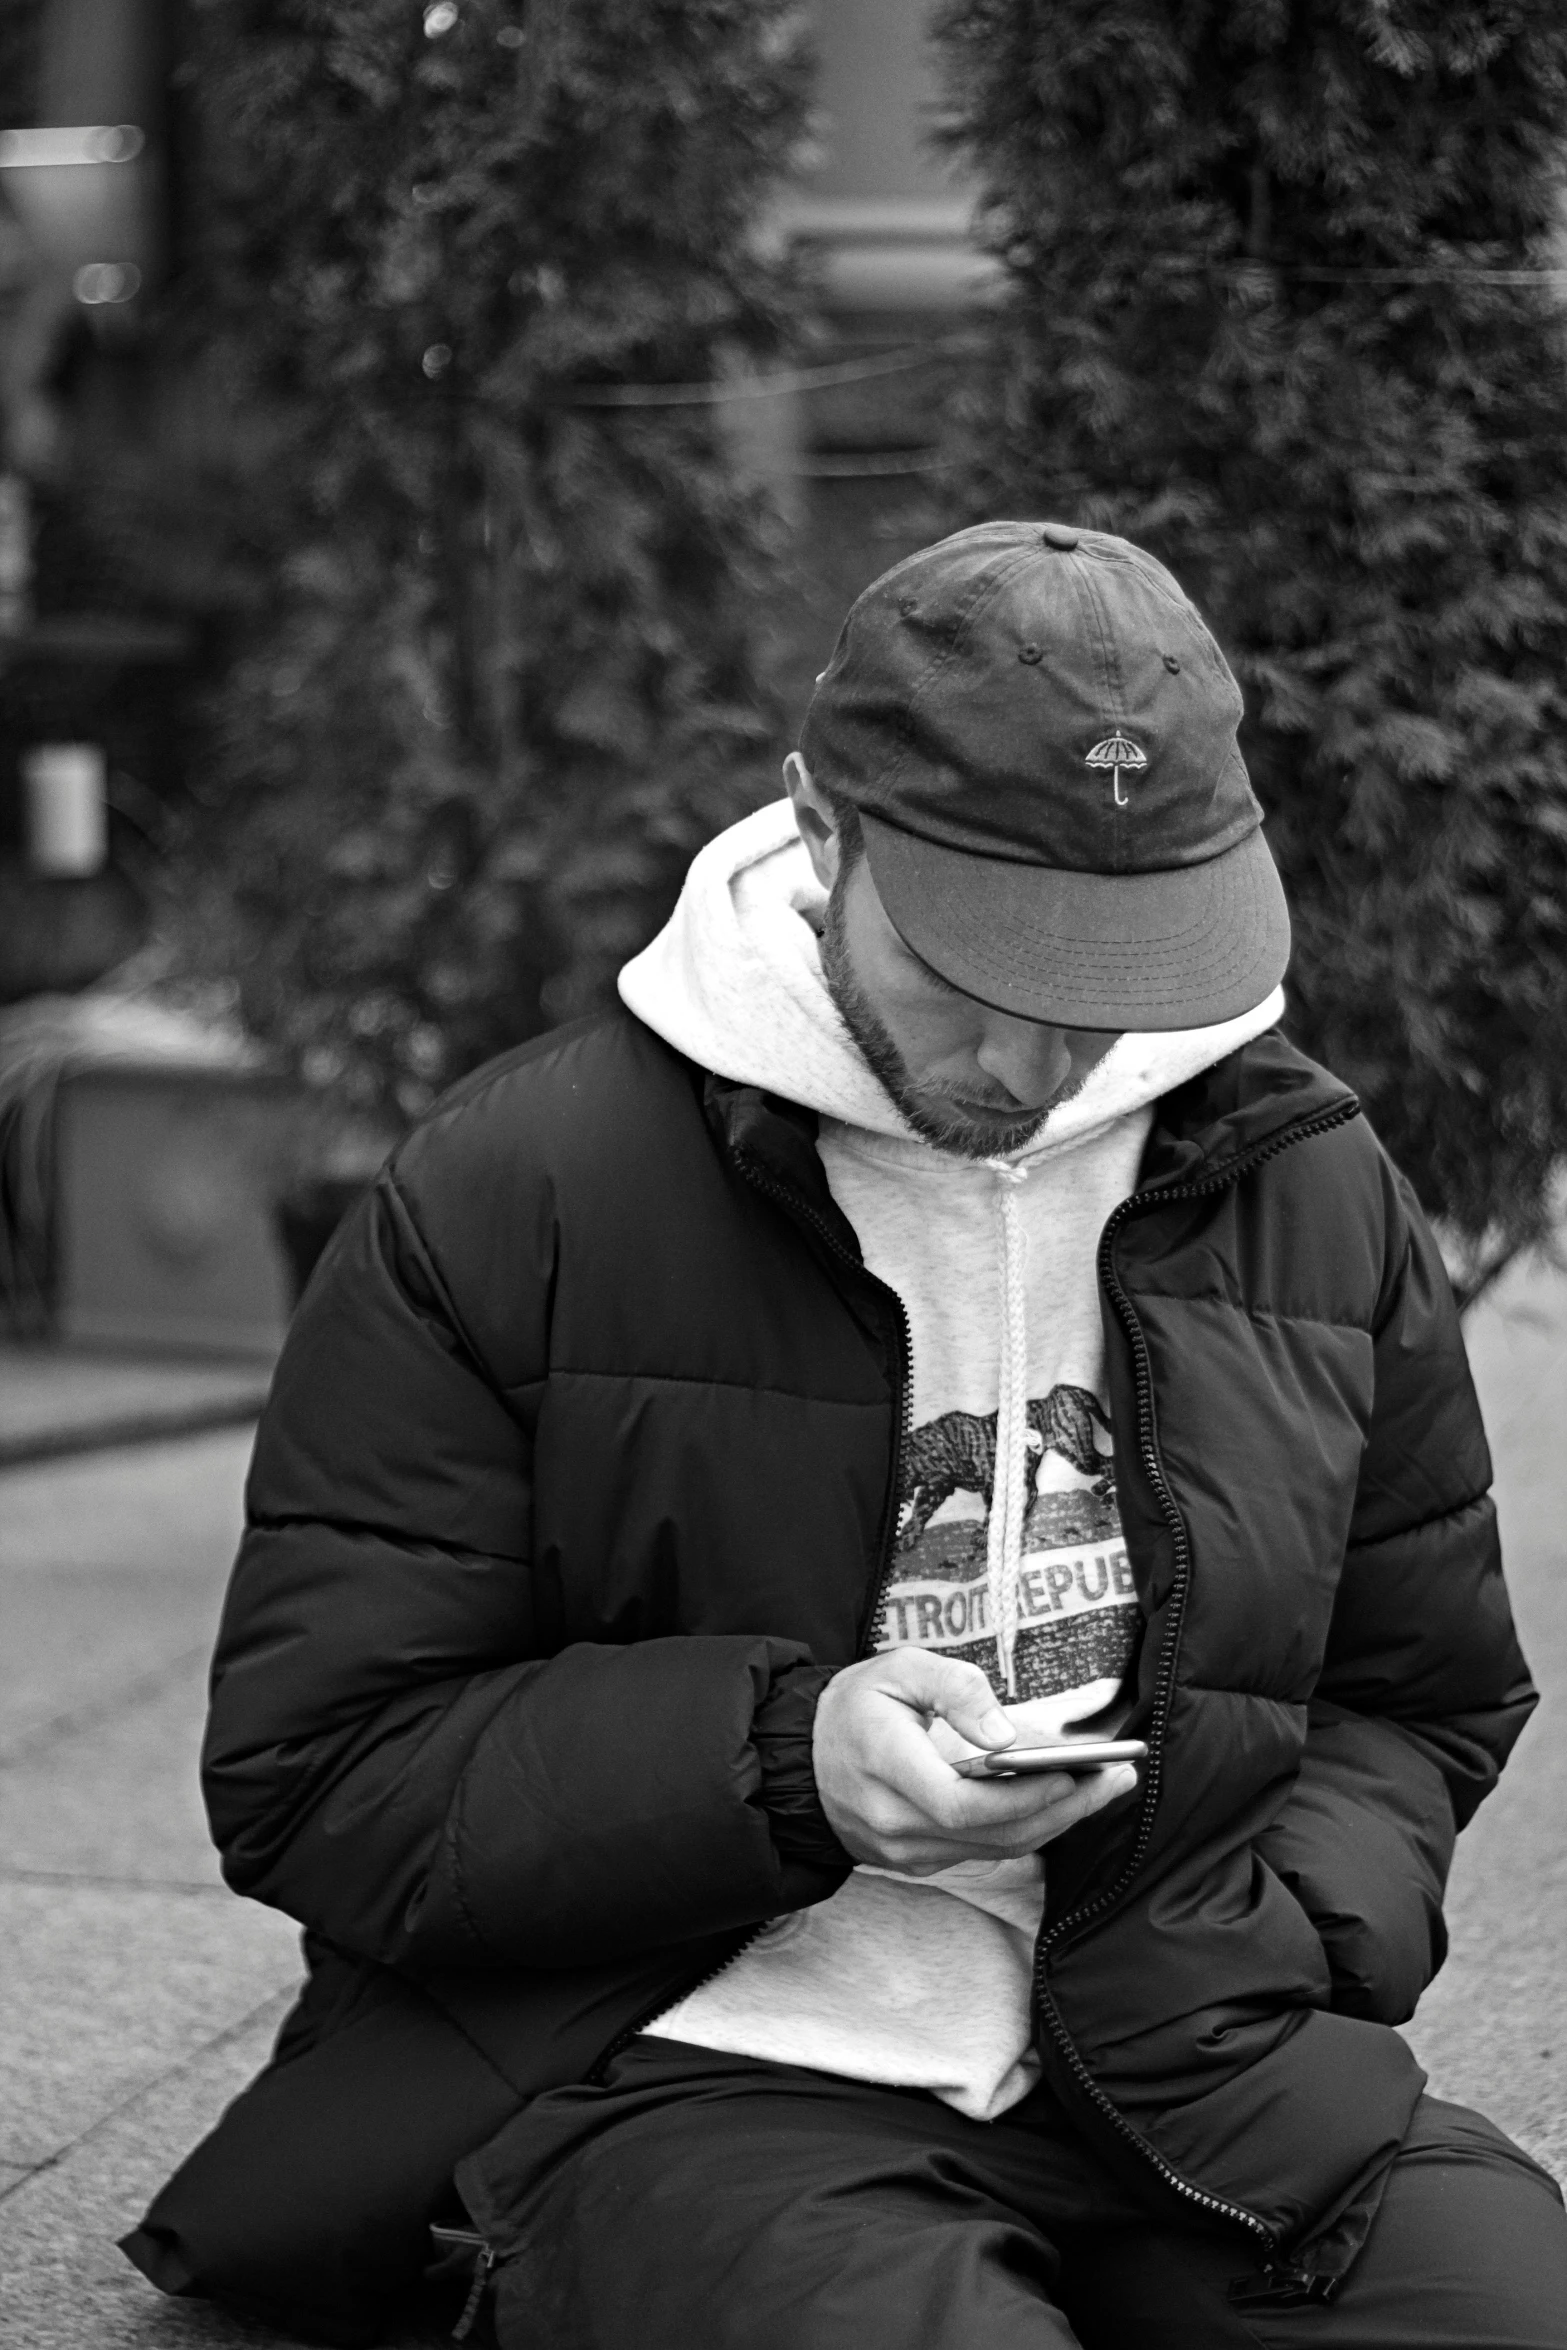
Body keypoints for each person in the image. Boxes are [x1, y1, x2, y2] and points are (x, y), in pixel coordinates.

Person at [123, 522, 1566, 2349]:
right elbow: (319, 1773)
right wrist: (790, 1755)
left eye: (1113, 974)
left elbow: (1423, 1694)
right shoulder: (515, 1196)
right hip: (690, 2069)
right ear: (820, 832)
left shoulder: (1303, 1184)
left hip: (1193, 2057)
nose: (1045, 1057)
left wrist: (1282, 1931)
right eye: (977, 967)